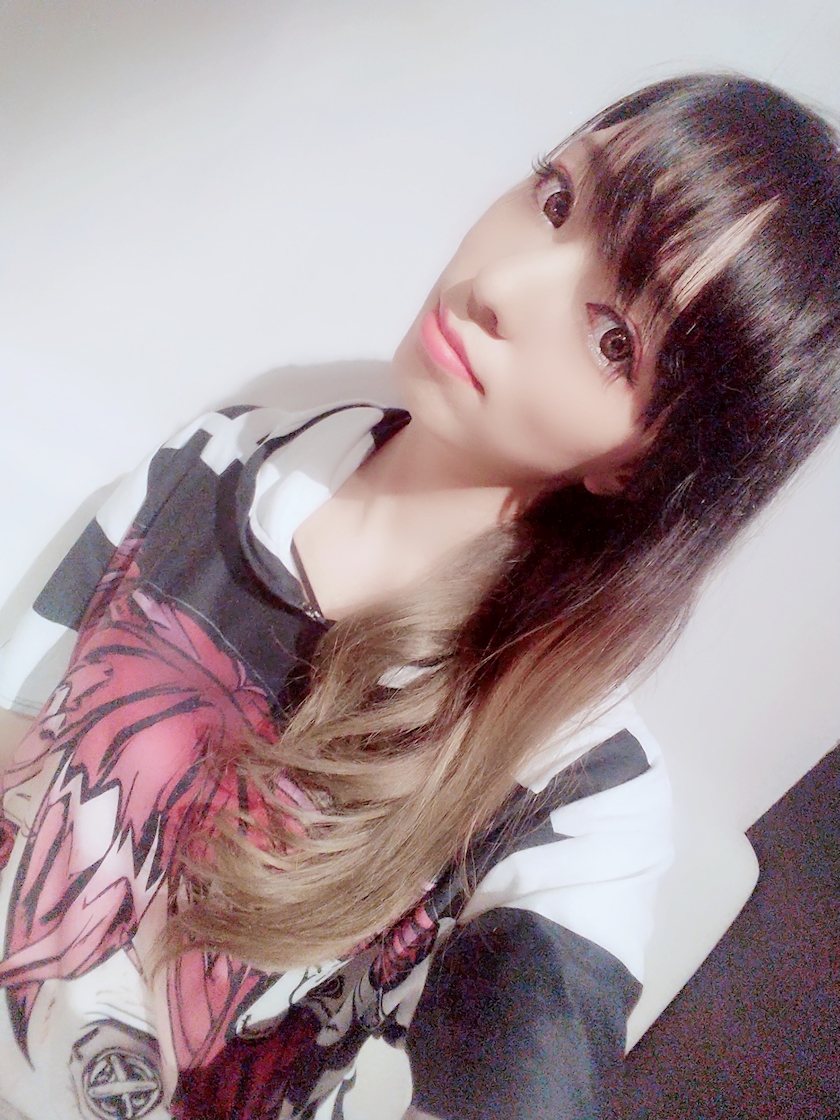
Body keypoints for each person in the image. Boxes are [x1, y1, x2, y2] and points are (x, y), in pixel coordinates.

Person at [0, 72, 838, 1120]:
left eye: (615, 338)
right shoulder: (238, 446)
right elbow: (24, 721)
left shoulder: (576, 790)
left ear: (640, 463)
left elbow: (533, 1057)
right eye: (555, 198)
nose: (504, 285)